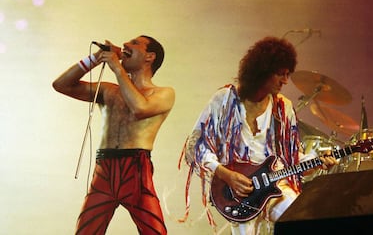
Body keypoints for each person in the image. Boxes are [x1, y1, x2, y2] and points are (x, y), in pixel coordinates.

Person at [180, 36, 337, 234]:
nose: (285, 81)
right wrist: (226, 175)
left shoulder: (283, 108)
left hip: (276, 186)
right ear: (263, 70)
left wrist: (318, 161)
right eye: (280, 74)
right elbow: (196, 146)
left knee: (300, 221)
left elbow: (293, 159)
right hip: (239, 192)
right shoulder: (224, 99)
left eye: (288, 74)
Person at [53, 35, 175, 235]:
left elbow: (139, 108)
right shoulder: (109, 90)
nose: (126, 44)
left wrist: (117, 69)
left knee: (154, 231)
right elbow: (61, 85)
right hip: (105, 167)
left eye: (135, 43)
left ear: (150, 57)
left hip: (135, 167)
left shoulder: (163, 93)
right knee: (85, 231)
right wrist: (95, 58)